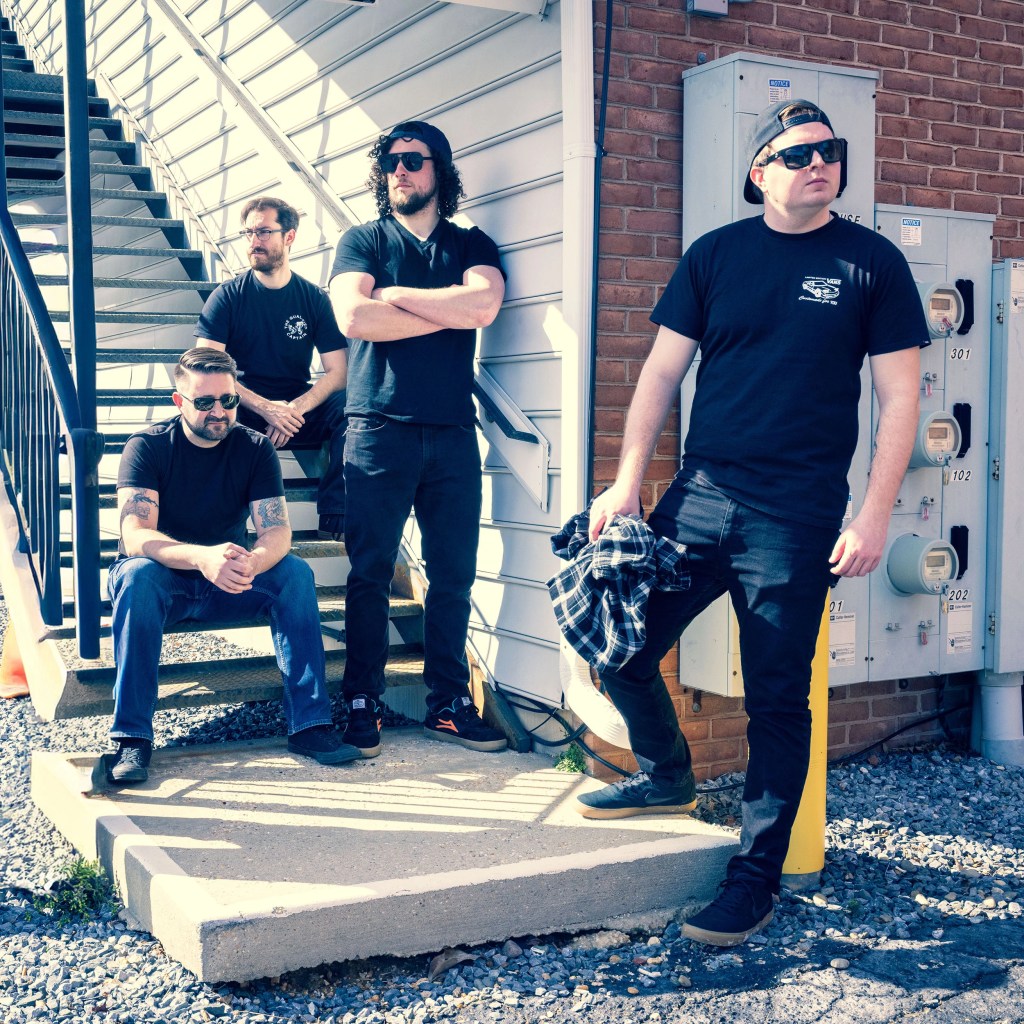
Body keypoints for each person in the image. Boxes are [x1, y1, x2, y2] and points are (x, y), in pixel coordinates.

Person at [578, 100, 929, 946]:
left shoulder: (871, 263)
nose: (820, 162)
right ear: (758, 172)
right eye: (799, 152)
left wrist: (873, 513)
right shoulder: (716, 256)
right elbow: (663, 373)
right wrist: (626, 482)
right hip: (700, 496)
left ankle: (754, 879)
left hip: (798, 514)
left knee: (778, 701)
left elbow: (900, 398)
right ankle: (667, 774)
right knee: (618, 644)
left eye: (831, 151)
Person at [328, 120, 508, 756]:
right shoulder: (363, 240)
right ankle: (360, 699)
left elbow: (482, 309)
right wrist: (443, 307)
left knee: (455, 575)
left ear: (440, 172)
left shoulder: (471, 243)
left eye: (412, 160)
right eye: (389, 162)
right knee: (370, 571)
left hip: (454, 435)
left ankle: (449, 703)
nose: (398, 171)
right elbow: (353, 316)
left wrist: (399, 298)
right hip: (378, 431)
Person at [106, 347, 360, 785]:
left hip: (229, 580)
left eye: (228, 400)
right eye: (204, 402)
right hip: (169, 580)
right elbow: (136, 535)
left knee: (295, 574)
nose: (219, 411)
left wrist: (255, 561)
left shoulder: (254, 447)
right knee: (136, 576)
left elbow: (276, 530)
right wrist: (201, 558)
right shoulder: (146, 447)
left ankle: (311, 725)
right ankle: (132, 737)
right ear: (179, 401)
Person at [195, 196, 349, 542]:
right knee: (206, 413)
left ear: (289, 237)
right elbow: (204, 366)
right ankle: (218, 529)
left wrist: (293, 409)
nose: (253, 242)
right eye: (248, 233)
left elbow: (339, 372)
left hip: (296, 411)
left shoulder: (312, 298)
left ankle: (336, 513)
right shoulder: (228, 297)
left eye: (264, 232)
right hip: (243, 411)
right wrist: (266, 408)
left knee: (352, 406)